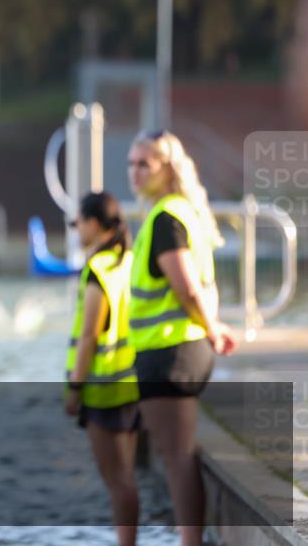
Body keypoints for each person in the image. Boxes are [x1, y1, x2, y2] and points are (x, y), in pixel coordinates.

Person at [127, 130, 238, 546]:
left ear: (166, 169)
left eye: (144, 164)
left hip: (170, 352)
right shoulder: (182, 212)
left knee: (176, 457)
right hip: (179, 349)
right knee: (178, 454)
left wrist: (213, 328)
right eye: (131, 163)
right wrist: (213, 326)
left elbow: (187, 287)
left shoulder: (165, 219)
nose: (134, 173)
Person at [64, 192, 138, 546]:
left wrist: (75, 389)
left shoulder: (98, 271)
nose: (75, 229)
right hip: (132, 383)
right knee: (127, 479)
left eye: (77, 222)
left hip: (103, 389)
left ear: (94, 224)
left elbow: (89, 336)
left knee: (116, 481)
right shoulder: (128, 261)